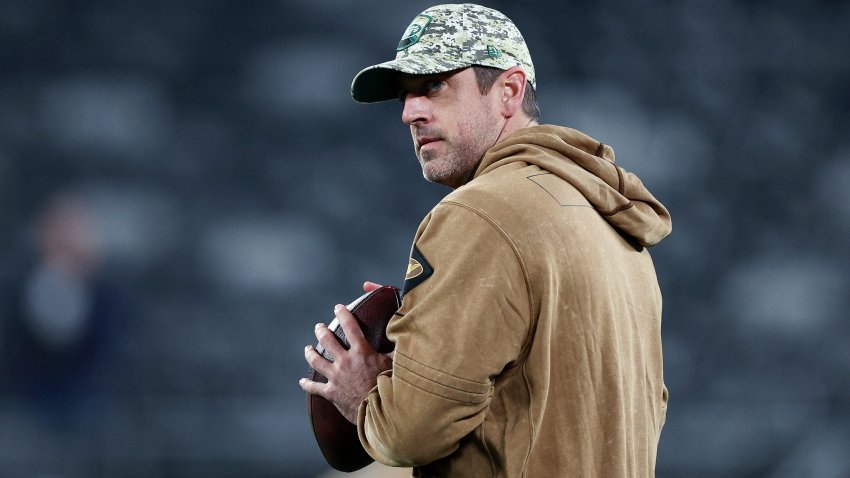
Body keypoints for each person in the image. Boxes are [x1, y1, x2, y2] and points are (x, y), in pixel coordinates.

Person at [300, 3, 672, 476]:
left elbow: (409, 434)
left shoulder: (478, 213)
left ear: (509, 91)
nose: (410, 112)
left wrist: (367, 395)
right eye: (405, 95)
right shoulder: (611, 221)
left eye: (435, 85)